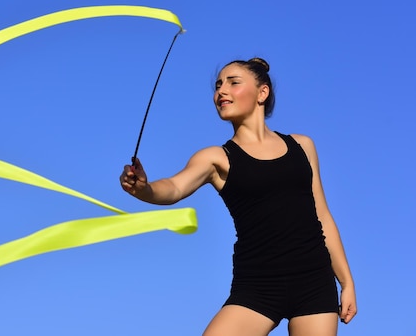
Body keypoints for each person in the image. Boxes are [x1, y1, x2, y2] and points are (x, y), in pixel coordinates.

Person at [119, 57, 357, 336]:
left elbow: (323, 218)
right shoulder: (216, 158)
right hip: (256, 285)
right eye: (218, 85)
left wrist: (347, 282)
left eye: (233, 82)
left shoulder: (303, 146)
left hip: (313, 283)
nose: (221, 91)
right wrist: (144, 189)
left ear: (262, 93)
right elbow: (172, 188)